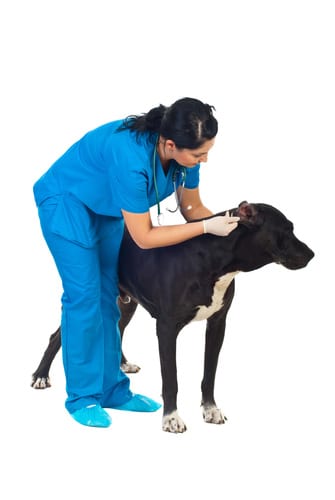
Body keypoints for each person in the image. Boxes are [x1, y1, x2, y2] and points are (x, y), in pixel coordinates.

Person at [33, 97, 240, 428]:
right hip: (66, 201)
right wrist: (203, 228)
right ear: (171, 144)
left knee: (109, 300)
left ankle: (112, 389)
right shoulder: (129, 157)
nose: (204, 159)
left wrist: (229, 230)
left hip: (107, 208)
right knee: (85, 297)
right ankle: (83, 397)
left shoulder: (185, 156)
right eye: (200, 154)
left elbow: (192, 209)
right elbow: (144, 238)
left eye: (207, 152)